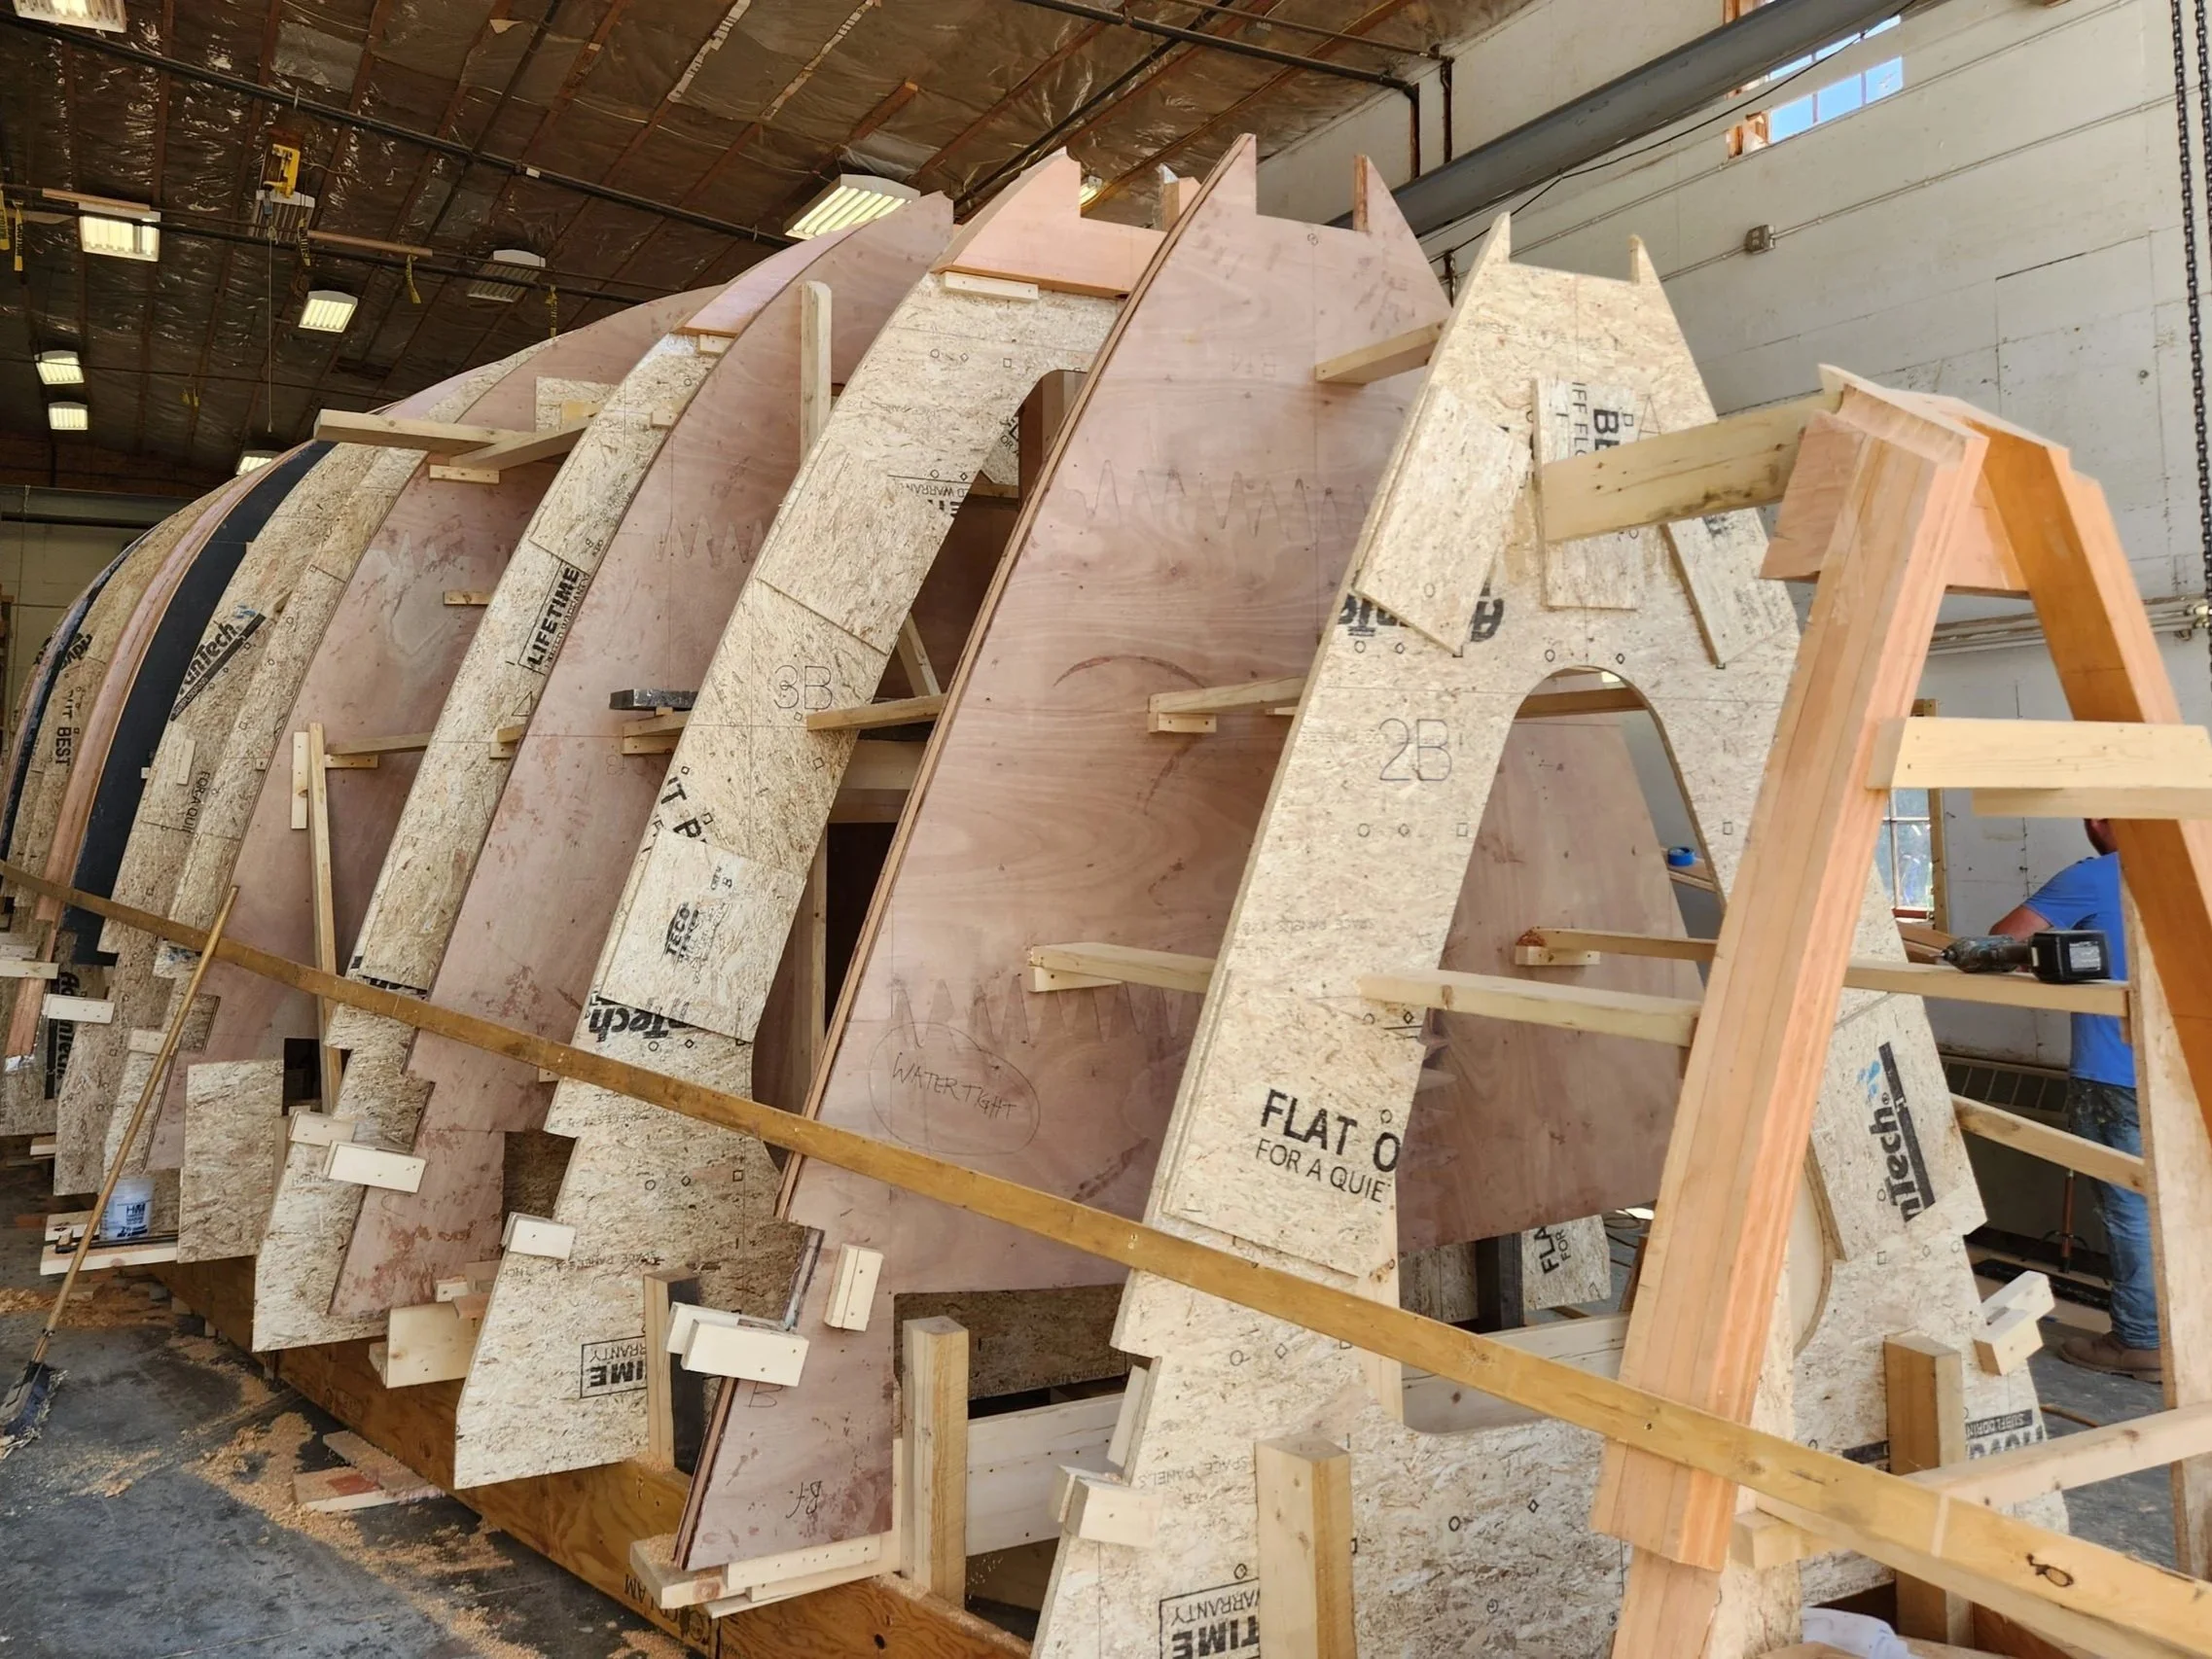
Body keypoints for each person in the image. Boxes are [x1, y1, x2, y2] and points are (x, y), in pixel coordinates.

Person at [1988, 819, 2159, 1383]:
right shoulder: (2195, 873)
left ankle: (2142, 1341)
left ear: (2100, 822)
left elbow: (2003, 940)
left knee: (2131, 1208)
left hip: (2117, 1075)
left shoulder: (2096, 877)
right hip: (2191, 1069)